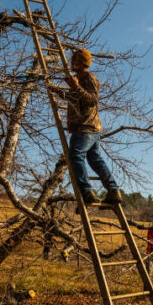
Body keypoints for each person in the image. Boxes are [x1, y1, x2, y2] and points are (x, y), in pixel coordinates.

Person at [55, 49, 121, 207]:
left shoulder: (89, 78)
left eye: (73, 61)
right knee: (95, 159)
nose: (71, 63)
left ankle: (87, 192)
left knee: (76, 156)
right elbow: (77, 99)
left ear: (79, 62)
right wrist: (60, 92)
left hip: (85, 126)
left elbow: (91, 101)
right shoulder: (80, 78)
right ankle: (113, 191)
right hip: (90, 127)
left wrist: (76, 86)